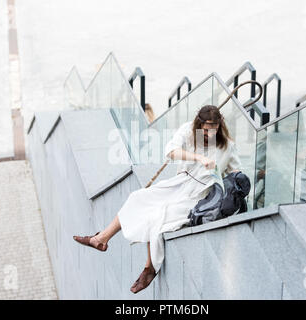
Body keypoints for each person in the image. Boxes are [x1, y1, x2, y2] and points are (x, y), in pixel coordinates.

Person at [73, 105, 242, 294]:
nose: (210, 132)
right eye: (207, 127)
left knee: (159, 217)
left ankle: (149, 268)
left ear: (220, 125)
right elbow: (170, 151)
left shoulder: (227, 145)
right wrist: (198, 158)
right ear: (199, 124)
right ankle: (102, 239)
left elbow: (236, 174)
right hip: (181, 182)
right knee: (138, 198)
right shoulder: (188, 131)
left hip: (200, 195)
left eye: (215, 127)